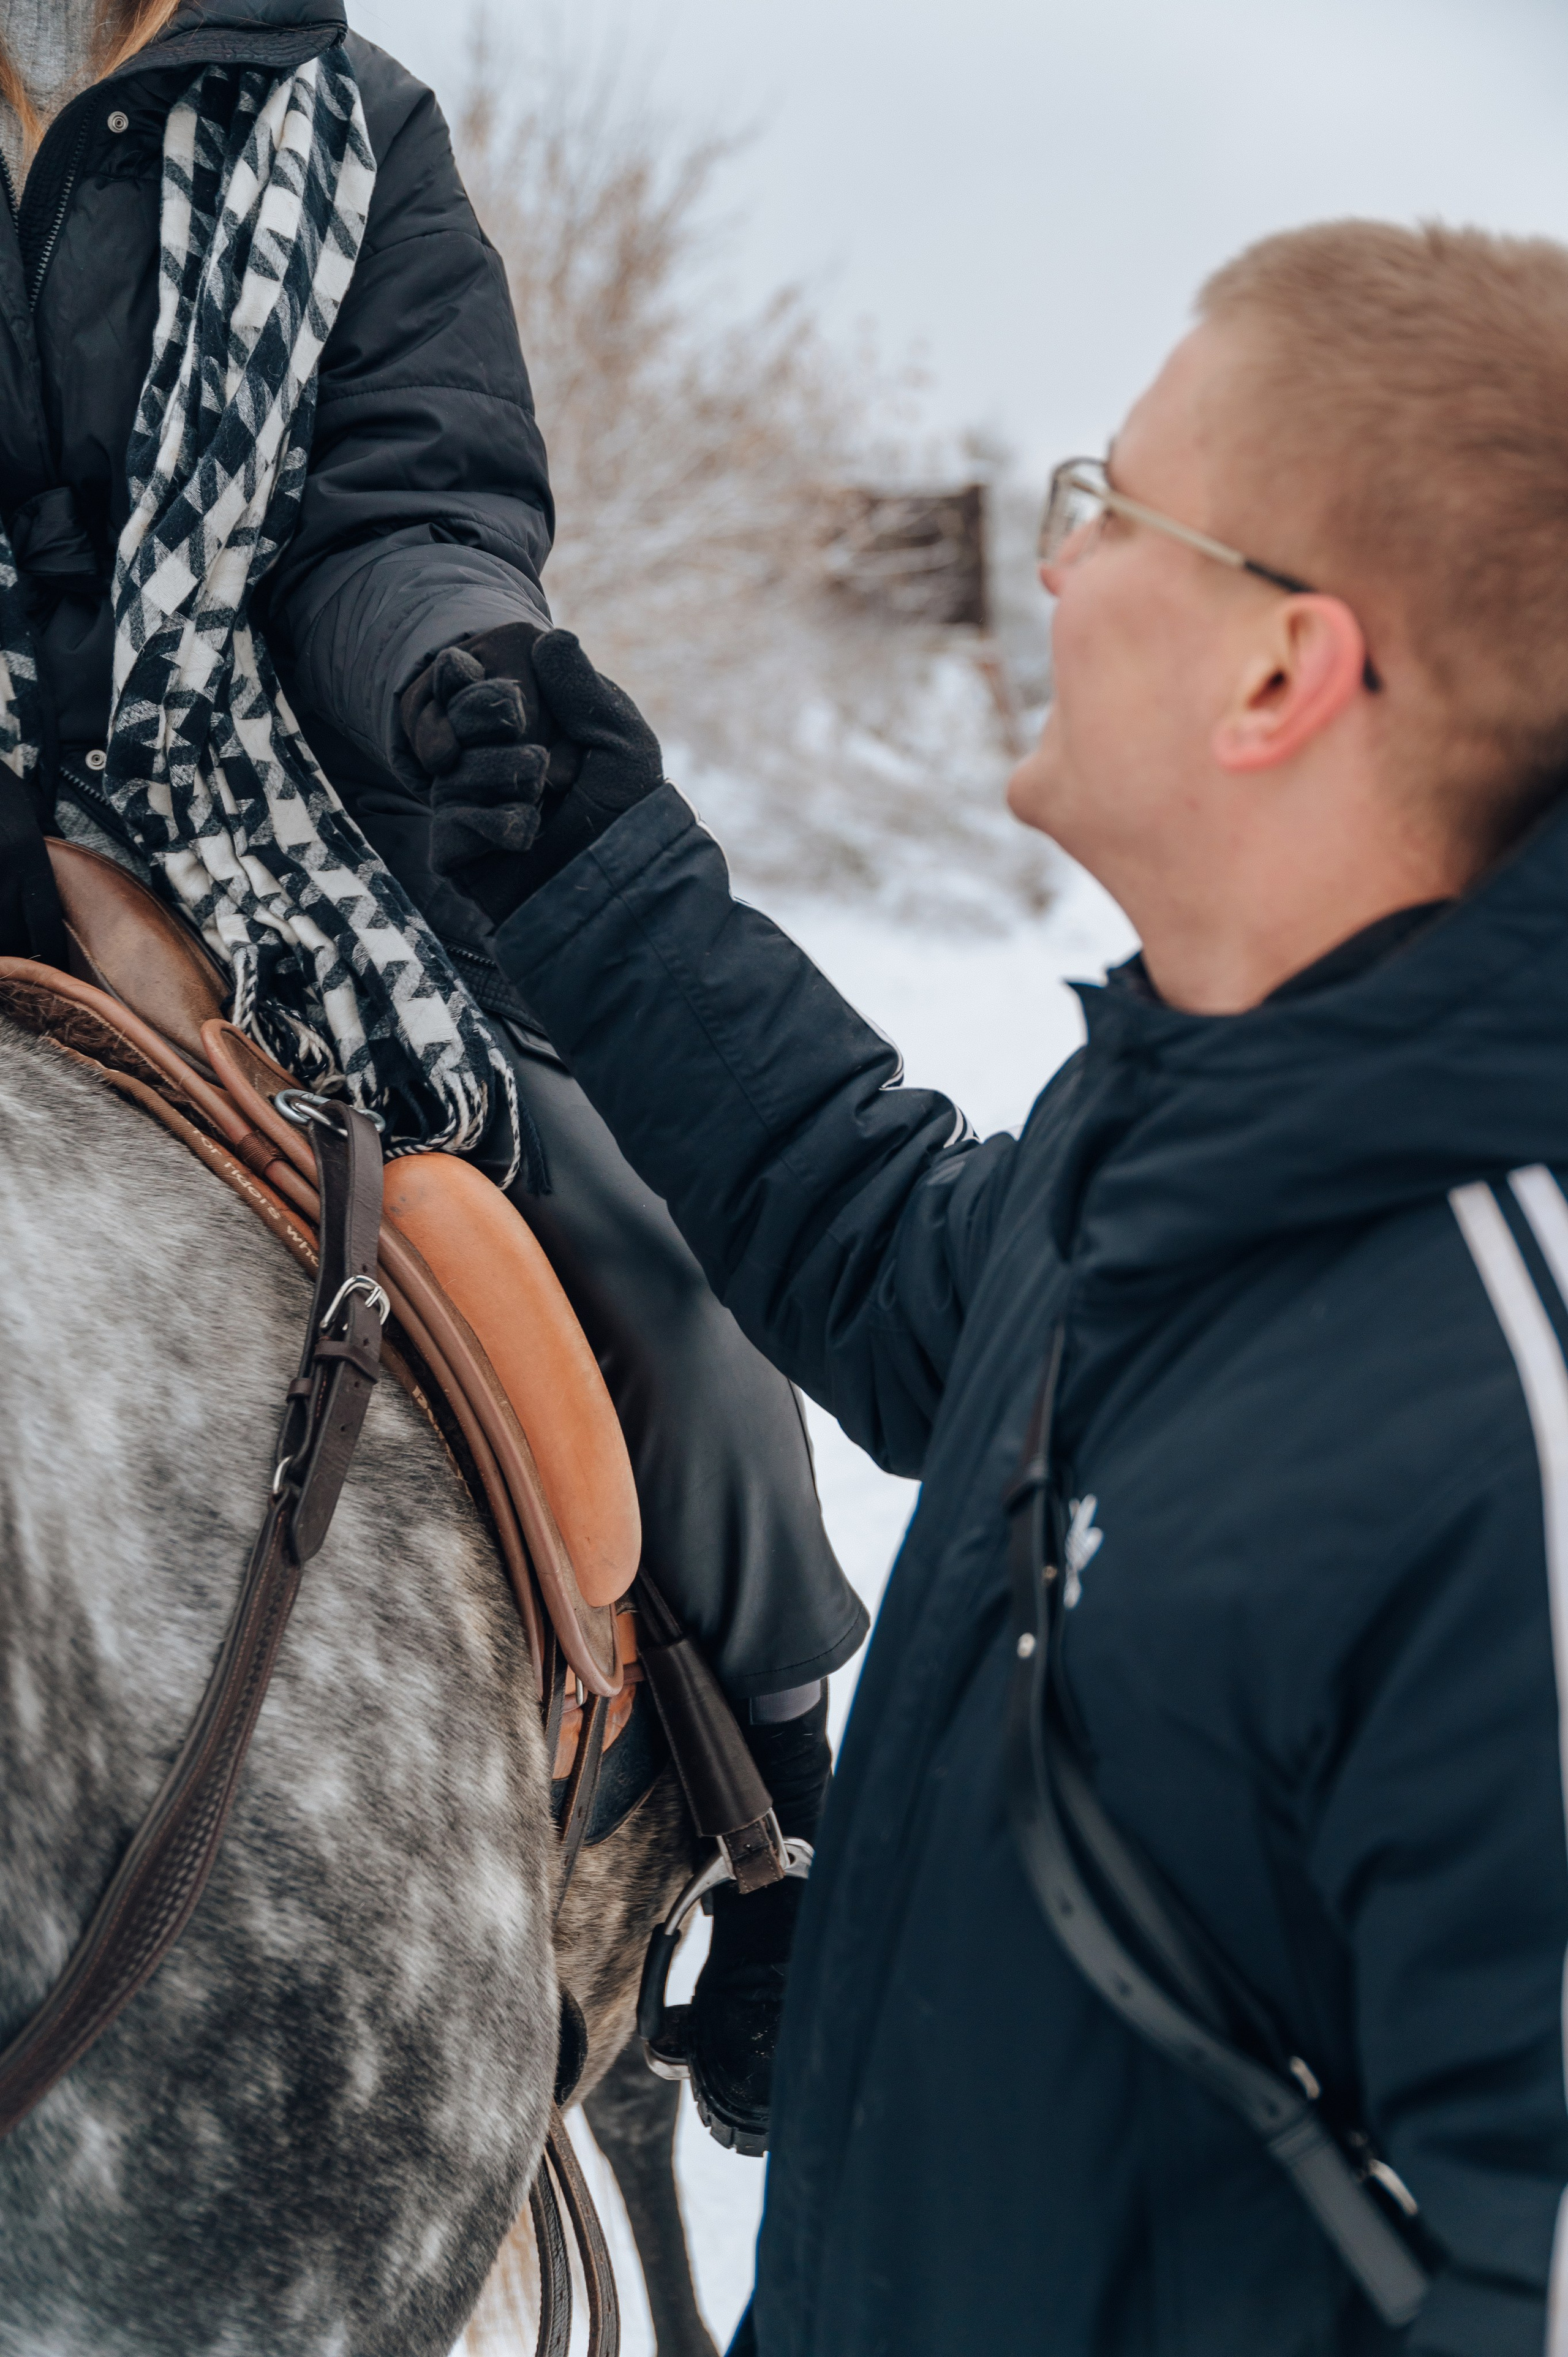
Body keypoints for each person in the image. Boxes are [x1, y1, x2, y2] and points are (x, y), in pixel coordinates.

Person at [428, 221, 1568, 2352]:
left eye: (1110, 506)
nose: (1052, 564)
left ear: (1280, 674)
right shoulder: (1173, 1153)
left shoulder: (1515, 1439)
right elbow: (872, 1238)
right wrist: (581, 867)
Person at [0, 0, 864, 2155]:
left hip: (260, 801)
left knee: (641, 1243)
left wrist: (454, 666)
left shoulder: (347, 122)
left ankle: (780, 1817)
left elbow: (409, 502)